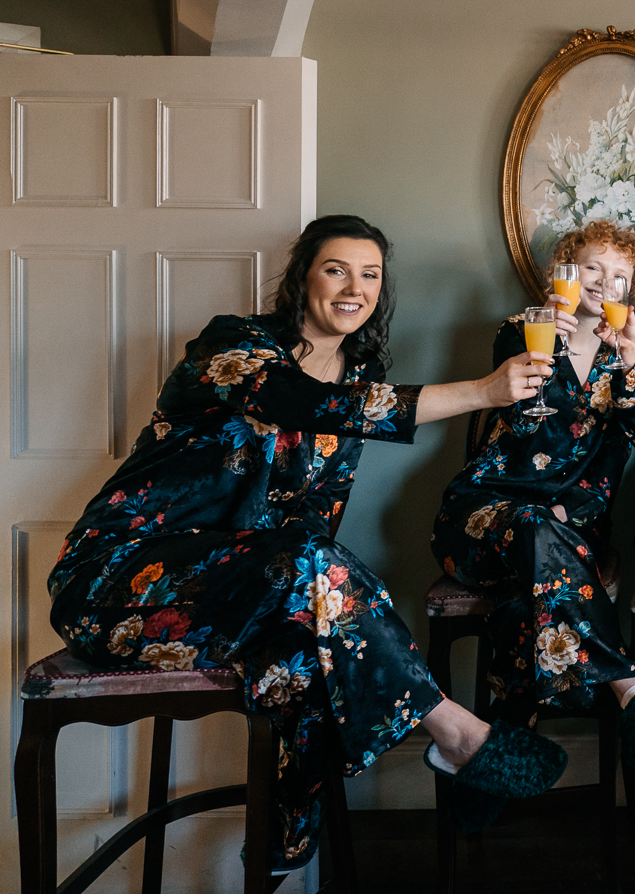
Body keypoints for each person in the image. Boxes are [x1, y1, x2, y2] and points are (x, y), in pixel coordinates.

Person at [47, 216, 565, 872]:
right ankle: (453, 730)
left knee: (304, 644)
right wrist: (484, 393)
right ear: (303, 278)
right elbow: (298, 402)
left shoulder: (355, 378)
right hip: (114, 582)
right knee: (309, 569)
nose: (355, 287)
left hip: (238, 594)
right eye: (336, 269)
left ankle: (282, 853)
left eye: (370, 274)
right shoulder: (235, 345)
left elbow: (311, 523)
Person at [430, 220, 635, 782]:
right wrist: (554, 336)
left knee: (527, 602)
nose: (604, 282)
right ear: (565, 272)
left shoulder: (626, 360)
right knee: (535, 530)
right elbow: (522, 421)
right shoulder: (522, 332)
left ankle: (487, 757)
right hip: (481, 518)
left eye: (620, 276)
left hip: (566, 534)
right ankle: (630, 686)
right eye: (592, 268)